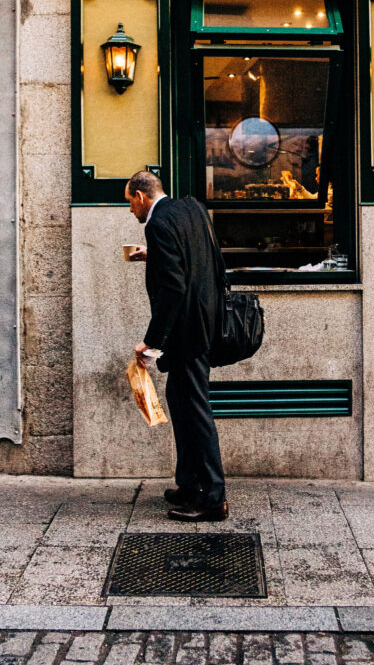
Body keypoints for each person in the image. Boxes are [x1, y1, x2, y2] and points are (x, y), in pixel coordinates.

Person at [125, 170, 228, 522]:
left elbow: (173, 289)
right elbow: (194, 259)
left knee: (195, 412)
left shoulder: (155, 224)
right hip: (203, 324)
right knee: (182, 406)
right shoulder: (192, 209)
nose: (130, 211)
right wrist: (151, 255)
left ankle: (213, 498)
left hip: (186, 334)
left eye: (129, 203)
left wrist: (151, 343)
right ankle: (189, 484)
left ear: (141, 196)